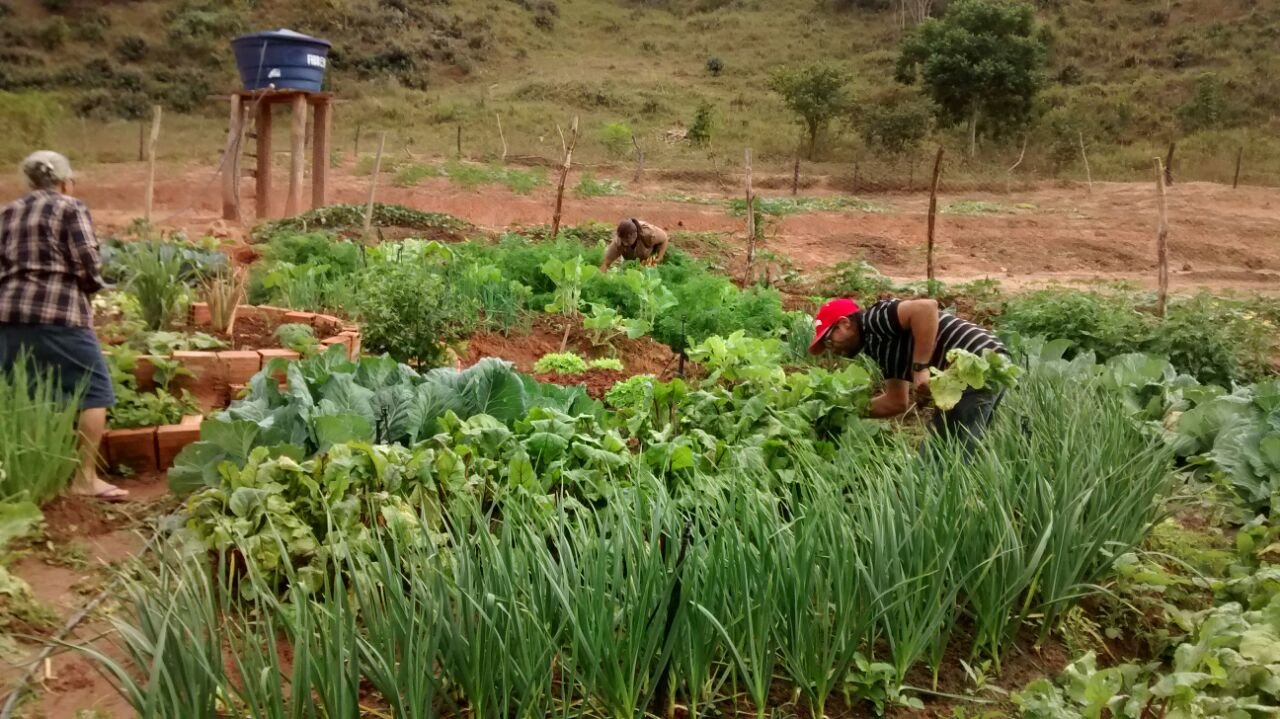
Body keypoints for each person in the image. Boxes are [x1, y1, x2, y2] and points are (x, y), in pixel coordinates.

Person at [0, 151, 126, 501]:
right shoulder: (71, 208)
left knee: (21, 392)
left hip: (8, 315)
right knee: (93, 390)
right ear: (66, 182)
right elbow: (88, 260)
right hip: (59, 313)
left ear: (27, 182)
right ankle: (84, 478)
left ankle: (23, 478)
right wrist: (91, 288)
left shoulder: (6, 212)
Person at [809, 296, 1008, 451]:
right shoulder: (880, 350)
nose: (831, 349)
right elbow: (896, 402)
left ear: (844, 323)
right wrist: (840, 410)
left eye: (828, 340)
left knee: (938, 458)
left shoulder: (873, 319)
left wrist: (920, 368)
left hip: (975, 361)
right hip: (985, 367)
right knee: (959, 449)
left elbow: (925, 308)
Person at [600, 218, 669, 272]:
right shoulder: (618, 243)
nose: (624, 243)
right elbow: (606, 262)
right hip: (630, 261)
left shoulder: (648, 234)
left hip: (648, 256)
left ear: (635, 235)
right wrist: (602, 278)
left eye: (627, 240)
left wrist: (660, 257)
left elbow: (664, 238)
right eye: (622, 240)